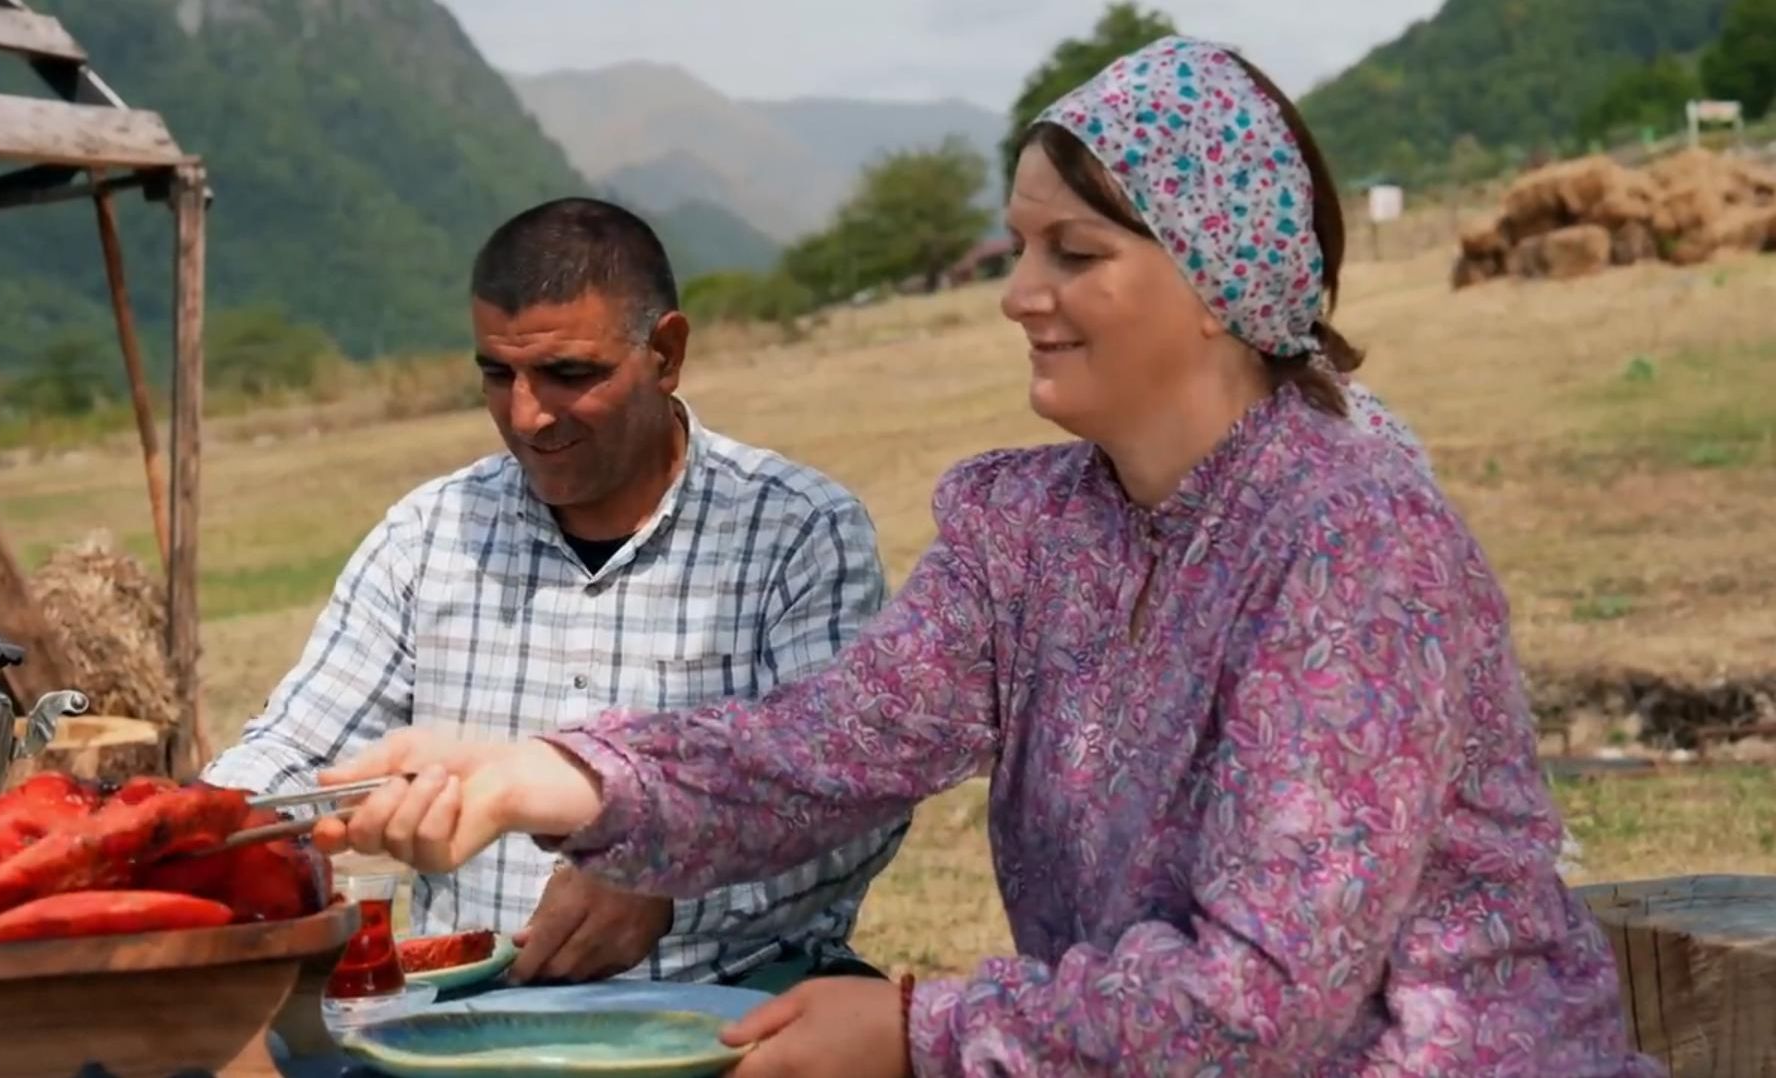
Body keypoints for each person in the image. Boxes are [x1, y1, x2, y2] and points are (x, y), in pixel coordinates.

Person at [308, 38, 1660, 1078]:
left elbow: (1260, 997)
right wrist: (538, 775)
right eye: (1019, 246)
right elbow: (822, 746)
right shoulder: (1031, 533)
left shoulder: (1354, 545)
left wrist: (918, 1029)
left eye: (1073, 251)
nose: (1019, 293)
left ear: (1217, 277)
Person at [203, 196, 909, 991]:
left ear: (666, 353)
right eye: (496, 374)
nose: (528, 415)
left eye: (569, 374)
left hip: (728, 998)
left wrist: (667, 885)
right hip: (469, 1009)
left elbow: (854, 798)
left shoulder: (797, 531)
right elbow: (297, 752)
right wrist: (181, 831)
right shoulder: (429, 534)